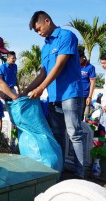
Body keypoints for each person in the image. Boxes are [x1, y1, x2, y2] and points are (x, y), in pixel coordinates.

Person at [23, 11, 84, 178]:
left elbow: (60, 65)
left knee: (74, 134)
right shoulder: (45, 47)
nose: (38, 32)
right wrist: (25, 91)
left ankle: (80, 174)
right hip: (54, 96)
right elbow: (43, 72)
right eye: (36, 31)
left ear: (47, 21)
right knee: (57, 134)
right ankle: (59, 170)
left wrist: (41, 88)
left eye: (39, 28)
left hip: (70, 93)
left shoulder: (66, 36)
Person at [78, 47, 96, 121]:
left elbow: (92, 82)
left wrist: (90, 97)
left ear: (83, 57)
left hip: (84, 95)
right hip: (74, 94)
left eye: (78, 59)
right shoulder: (74, 66)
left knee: (81, 116)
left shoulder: (90, 67)